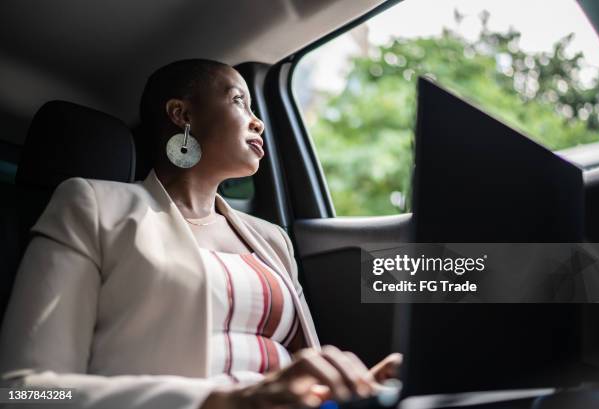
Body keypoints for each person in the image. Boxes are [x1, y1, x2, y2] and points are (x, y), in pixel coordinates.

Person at [0, 59, 401, 409]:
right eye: (238, 100)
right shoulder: (92, 205)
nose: (257, 119)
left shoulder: (273, 240)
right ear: (182, 114)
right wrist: (216, 402)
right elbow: (22, 392)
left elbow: (302, 374)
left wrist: (362, 388)